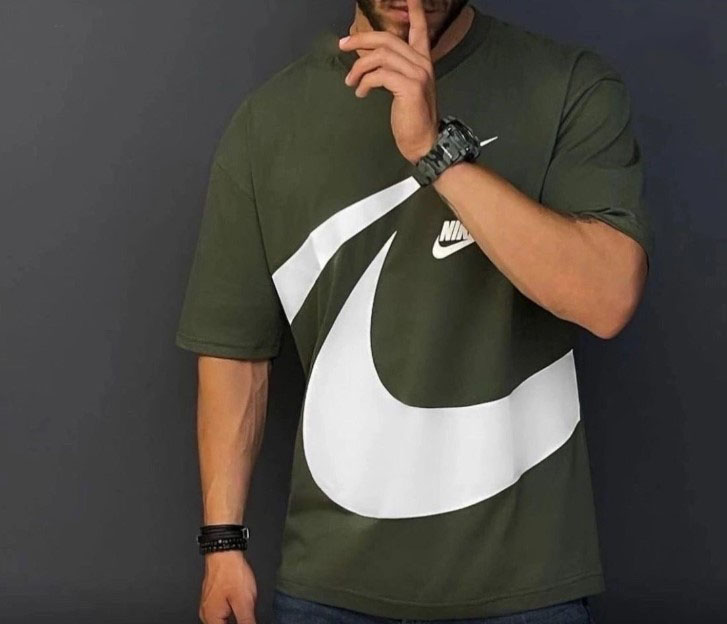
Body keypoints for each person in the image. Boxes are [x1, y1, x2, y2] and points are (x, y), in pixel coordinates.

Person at [174, 0, 653, 622]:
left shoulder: (569, 86)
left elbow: (609, 298)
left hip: (524, 591)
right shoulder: (267, 123)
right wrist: (222, 545)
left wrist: (435, 151)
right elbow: (235, 355)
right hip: (330, 592)